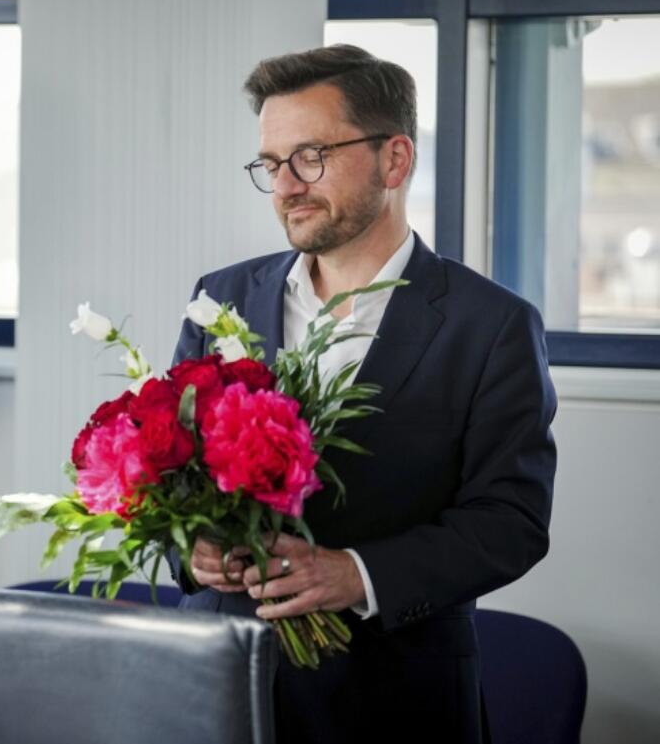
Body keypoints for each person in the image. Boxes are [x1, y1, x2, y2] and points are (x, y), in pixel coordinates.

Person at [172, 44, 557, 744]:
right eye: (270, 163)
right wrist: (191, 545)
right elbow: (175, 472)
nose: (285, 184)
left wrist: (357, 573)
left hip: (390, 701)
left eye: (311, 155)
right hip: (213, 690)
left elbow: (511, 520)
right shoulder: (221, 295)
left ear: (396, 159)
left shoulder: (492, 325)